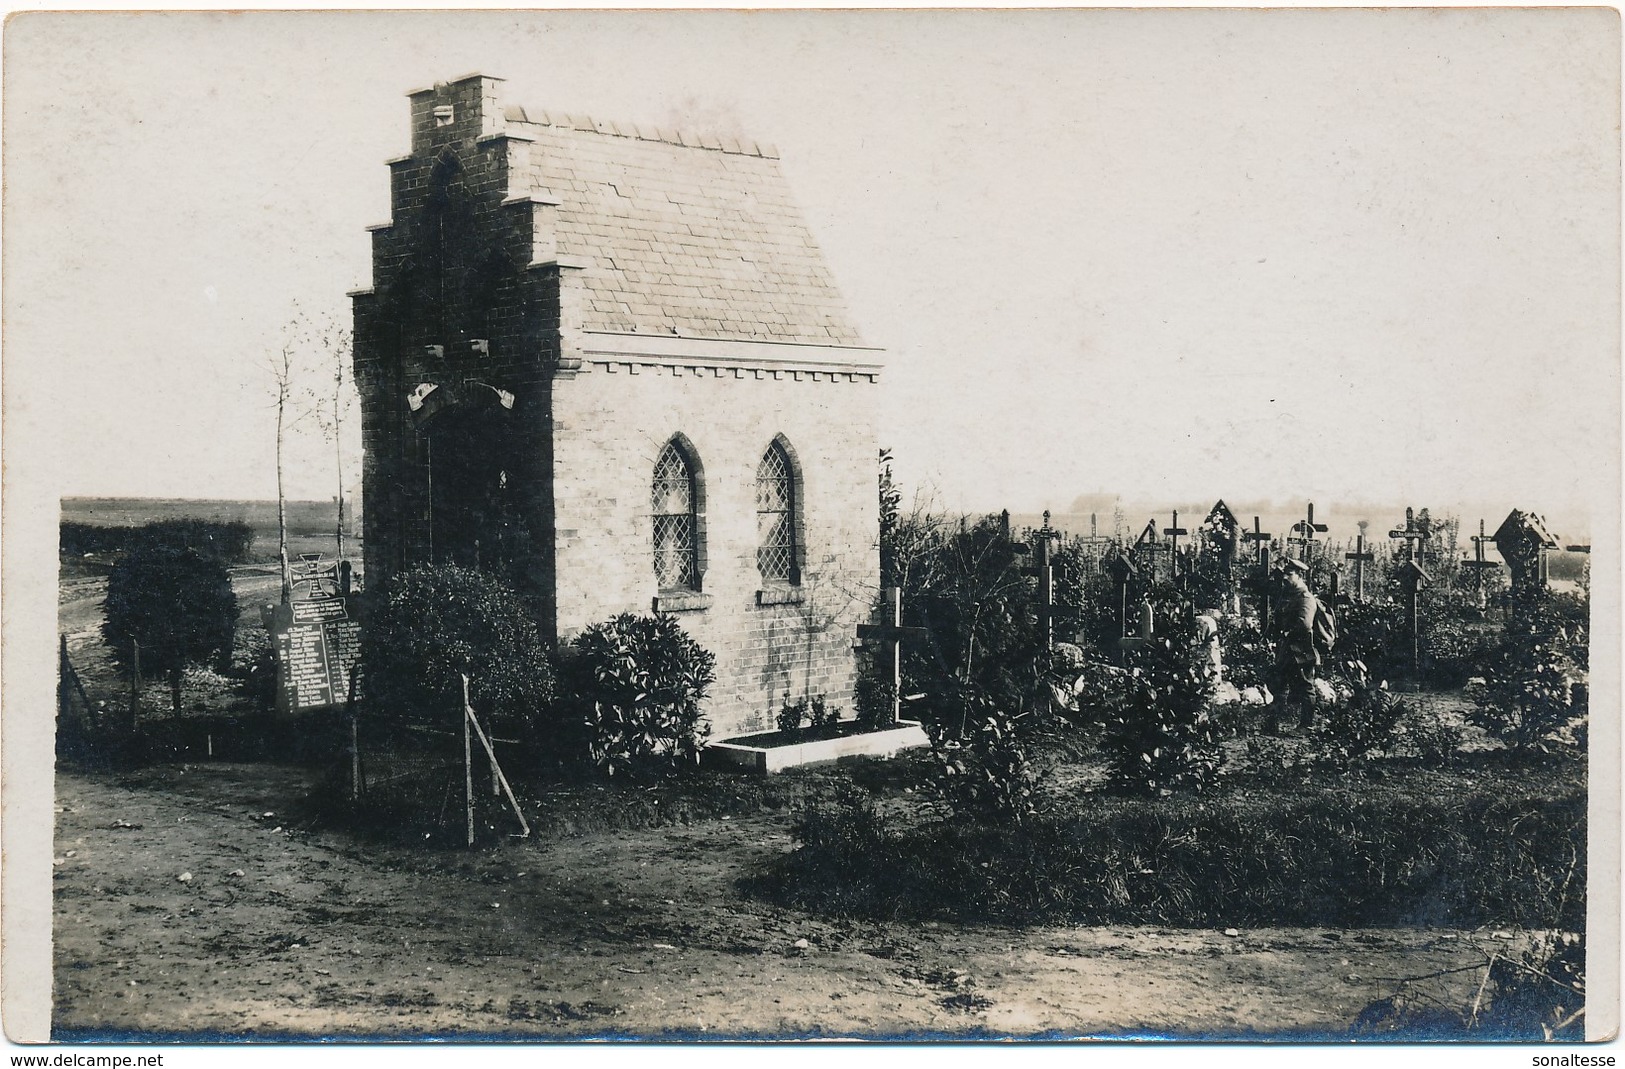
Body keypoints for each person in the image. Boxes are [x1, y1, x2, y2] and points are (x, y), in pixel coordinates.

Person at [1270, 557, 1323, 734]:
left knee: (1306, 686)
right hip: (1288, 650)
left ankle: (1306, 726)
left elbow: (1305, 624)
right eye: (1284, 573)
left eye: (1289, 574)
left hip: (1301, 650)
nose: (1285, 577)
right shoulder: (1289, 597)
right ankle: (1272, 723)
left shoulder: (1305, 598)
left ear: (1299, 575)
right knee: (1279, 684)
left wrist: (1287, 632)